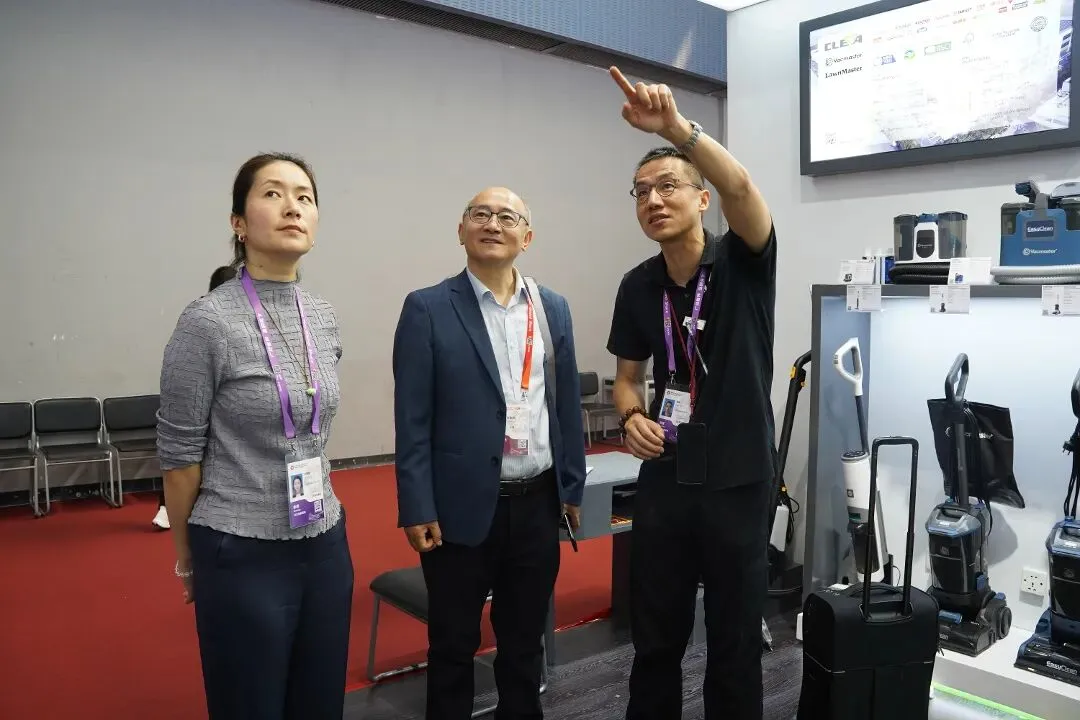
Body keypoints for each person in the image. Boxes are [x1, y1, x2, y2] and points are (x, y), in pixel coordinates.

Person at [604, 66, 777, 720]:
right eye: (641, 191)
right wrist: (630, 417)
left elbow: (743, 187)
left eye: (669, 185)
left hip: (737, 480)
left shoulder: (744, 261)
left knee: (734, 641)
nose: (653, 199)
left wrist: (678, 129)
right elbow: (628, 378)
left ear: (703, 199)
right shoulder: (637, 285)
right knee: (656, 639)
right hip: (666, 479)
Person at [156, 152, 353, 720]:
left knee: (320, 702)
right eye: (272, 193)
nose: (293, 206)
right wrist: (189, 558)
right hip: (240, 548)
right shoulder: (207, 321)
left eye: (304, 196)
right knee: (251, 704)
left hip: (324, 540)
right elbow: (179, 456)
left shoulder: (323, 315)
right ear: (238, 223)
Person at [392, 187, 587, 720]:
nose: (492, 224)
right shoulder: (428, 308)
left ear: (527, 236)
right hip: (459, 508)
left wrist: (571, 487)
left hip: (537, 503)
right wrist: (416, 505)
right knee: (453, 644)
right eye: (480, 214)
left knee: (524, 642)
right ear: (461, 230)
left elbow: (565, 404)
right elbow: (412, 418)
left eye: (507, 216)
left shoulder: (552, 308)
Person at [152, 265, 236, 530]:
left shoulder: (241, 317)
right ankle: (167, 508)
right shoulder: (201, 317)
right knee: (185, 455)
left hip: (223, 400)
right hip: (200, 400)